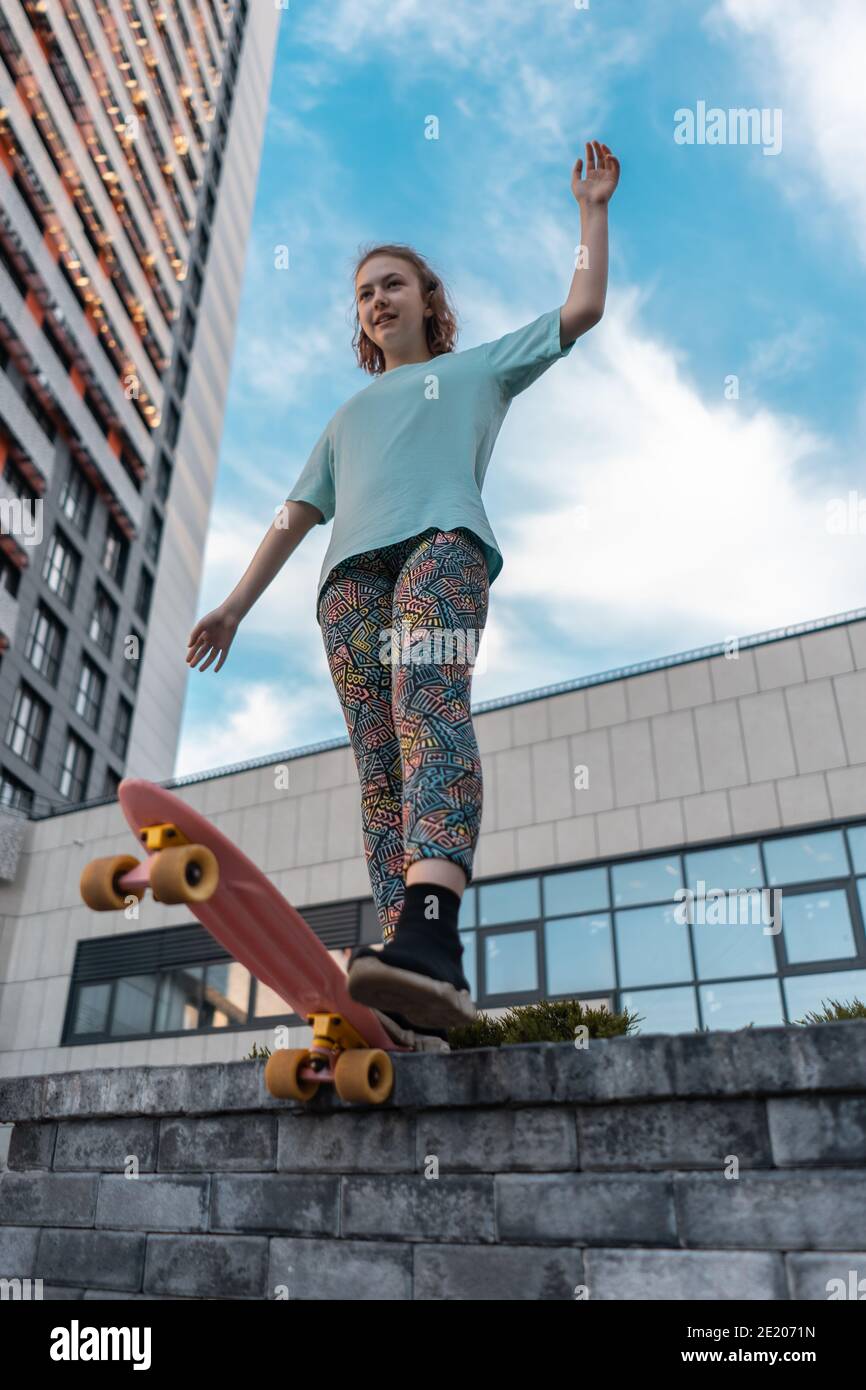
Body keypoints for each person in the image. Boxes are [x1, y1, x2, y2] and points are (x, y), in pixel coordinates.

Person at [187, 141, 620, 1044]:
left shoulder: (477, 369)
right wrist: (233, 604)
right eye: (364, 293)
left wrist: (592, 212)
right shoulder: (346, 418)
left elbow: (582, 307)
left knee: (429, 709)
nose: (377, 300)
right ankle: (401, 967)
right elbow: (294, 515)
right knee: (379, 770)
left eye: (393, 284)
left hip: (443, 549)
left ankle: (432, 932)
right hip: (346, 585)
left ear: (429, 301)